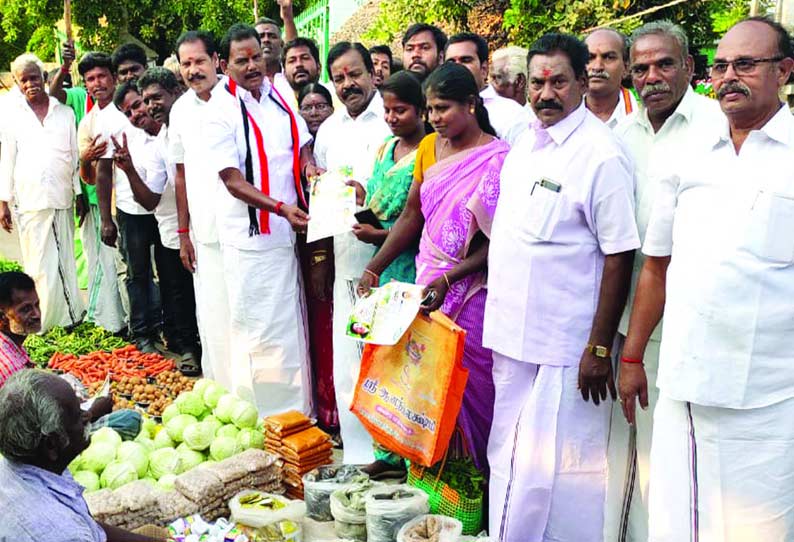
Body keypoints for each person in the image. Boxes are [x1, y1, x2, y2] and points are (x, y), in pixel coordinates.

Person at [621, 17, 794, 542]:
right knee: (678, 521)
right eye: (722, 66)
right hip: (684, 385)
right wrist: (631, 357)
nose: (729, 77)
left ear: (784, 71)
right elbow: (656, 264)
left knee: (759, 526)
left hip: (770, 396)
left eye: (746, 64)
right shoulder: (687, 153)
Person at [484, 33, 639, 542]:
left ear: (581, 82)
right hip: (511, 338)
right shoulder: (524, 142)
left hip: (567, 351)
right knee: (508, 456)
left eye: (557, 82)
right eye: (536, 82)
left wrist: (598, 347)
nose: (545, 94)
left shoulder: (601, 155)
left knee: (560, 472)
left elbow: (619, 254)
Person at [604, 21, 723, 542]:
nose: (652, 77)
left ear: (690, 67)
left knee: (680, 455)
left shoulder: (717, 128)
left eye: (665, 64)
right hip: (630, 318)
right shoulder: (621, 136)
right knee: (630, 450)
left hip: (694, 322)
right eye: (642, 68)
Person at [358, 62, 509, 472]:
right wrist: (376, 266)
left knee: (468, 386)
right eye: (430, 109)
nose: (435, 118)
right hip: (425, 281)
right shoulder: (428, 148)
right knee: (419, 382)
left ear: (471, 105)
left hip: (470, 288)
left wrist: (450, 278)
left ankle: (473, 479)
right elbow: (411, 216)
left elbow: (498, 245)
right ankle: (424, 473)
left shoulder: (497, 159)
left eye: (443, 108)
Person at [204, 23, 315, 416]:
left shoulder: (278, 93)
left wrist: (310, 170)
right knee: (261, 334)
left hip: (287, 234)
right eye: (242, 60)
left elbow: (301, 145)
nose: (253, 66)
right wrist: (280, 208)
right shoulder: (218, 110)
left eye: (256, 57)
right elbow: (232, 180)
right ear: (223, 63)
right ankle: (268, 419)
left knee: (289, 326)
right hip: (251, 239)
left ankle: (300, 415)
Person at [313, 41, 391, 463]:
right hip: (345, 259)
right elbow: (325, 196)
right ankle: (358, 456)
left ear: (372, 73)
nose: (348, 85)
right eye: (339, 78)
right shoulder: (329, 130)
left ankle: (390, 456)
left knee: (385, 361)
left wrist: (368, 201)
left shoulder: (391, 119)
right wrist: (322, 260)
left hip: (389, 263)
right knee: (349, 360)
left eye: (354, 74)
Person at [0, 370, 161, 542]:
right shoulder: (65, 534)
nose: (88, 415)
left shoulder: (25, 465)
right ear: (52, 445)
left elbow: (90, 526)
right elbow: (76, 530)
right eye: (77, 416)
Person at [113, 72, 202, 370]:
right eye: (142, 104)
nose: (145, 110)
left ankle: (192, 344)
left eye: (149, 101)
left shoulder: (191, 121)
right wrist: (127, 169)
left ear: (175, 91)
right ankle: (187, 344)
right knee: (176, 289)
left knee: (193, 289)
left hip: (200, 223)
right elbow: (151, 199)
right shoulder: (153, 142)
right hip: (173, 229)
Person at [0, 53, 85, 332]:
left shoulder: (64, 113)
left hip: (61, 197)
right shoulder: (12, 118)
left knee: (64, 261)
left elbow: (73, 158)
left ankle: (70, 317)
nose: (30, 84)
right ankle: (41, 323)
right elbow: (8, 159)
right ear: (17, 82)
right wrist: (4, 201)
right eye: (24, 80)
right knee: (38, 263)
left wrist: (79, 193)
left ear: (44, 78)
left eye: (34, 77)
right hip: (30, 199)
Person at [170, 30, 232, 385]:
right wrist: (183, 233)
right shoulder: (179, 111)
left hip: (244, 228)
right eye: (186, 63)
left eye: (199, 61)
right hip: (204, 232)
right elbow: (180, 175)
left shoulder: (236, 99)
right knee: (212, 315)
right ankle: (220, 387)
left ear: (216, 62)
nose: (193, 70)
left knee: (245, 316)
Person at [54, 52, 127, 335]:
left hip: (139, 203)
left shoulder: (129, 110)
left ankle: (143, 324)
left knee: (136, 269)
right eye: (91, 79)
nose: (97, 83)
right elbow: (88, 176)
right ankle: (115, 323)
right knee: (108, 266)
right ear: (85, 85)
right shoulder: (88, 121)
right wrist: (85, 159)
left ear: (113, 77)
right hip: (104, 206)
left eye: (101, 76)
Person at [94, 60, 164, 354]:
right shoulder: (110, 122)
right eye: (129, 110)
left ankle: (166, 328)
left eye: (139, 105)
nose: (136, 113)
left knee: (169, 273)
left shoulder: (160, 121)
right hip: (131, 212)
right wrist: (106, 220)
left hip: (163, 211)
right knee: (138, 275)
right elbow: (103, 171)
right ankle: (141, 333)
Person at [296, 83, 337, 431]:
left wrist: (322, 259)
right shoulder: (298, 148)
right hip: (304, 247)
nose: (314, 113)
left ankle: (335, 411)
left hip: (333, 245)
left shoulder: (331, 143)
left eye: (321, 106)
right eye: (307, 107)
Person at [445, 32, 532, 145]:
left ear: (484, 69)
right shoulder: (436, 113)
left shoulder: (511, 115)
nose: (456, 67)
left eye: (466, 60)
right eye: (451, 62)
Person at [585, 28, 638, 128]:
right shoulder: (562, 114)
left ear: (626, 68)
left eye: (608, 57)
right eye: (589, 58)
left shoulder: (645, 113)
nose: (597, 67)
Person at [0, 271, 38, 386]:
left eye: (37, 305)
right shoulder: (13, 371)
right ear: (3, 316)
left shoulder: (11, 341)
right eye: (26, 309)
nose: (37, 314)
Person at [282, 37, 338, 110]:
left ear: (319, 67)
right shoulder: (280, 109)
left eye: (305, 58)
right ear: (284, 74)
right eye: (292, 61)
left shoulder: (339, 104)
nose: (299, 64)